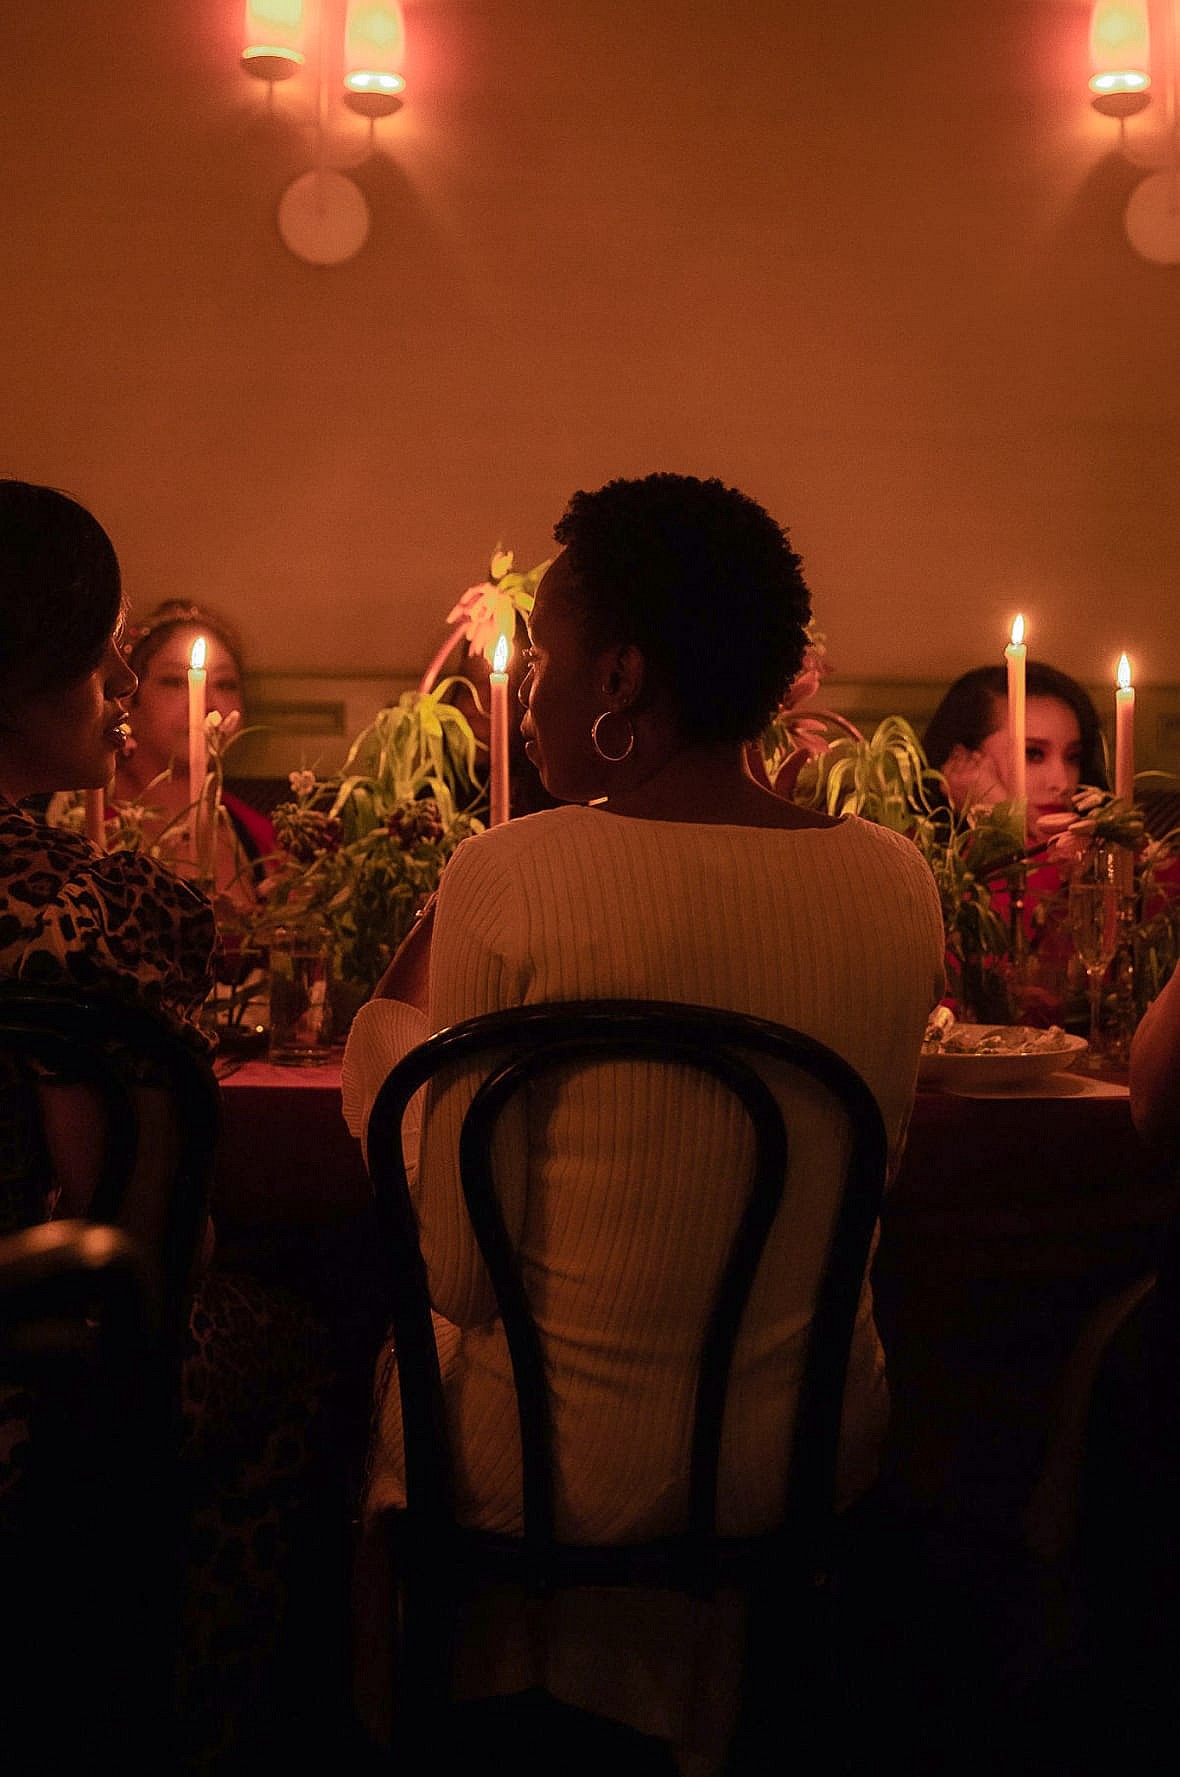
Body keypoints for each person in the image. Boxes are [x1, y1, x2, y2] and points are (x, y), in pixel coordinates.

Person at [343, 472, 946, 1774]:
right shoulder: (896, 881)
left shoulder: (511, 872)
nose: (530, 688)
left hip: (553, 1472)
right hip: (800, 1451)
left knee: (393, 1356)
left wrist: (392, 1085)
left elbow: (452, 1271)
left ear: (619, 677)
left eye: (547, 656)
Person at [0, 481, 333, 1770]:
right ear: (32, 667)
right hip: (42, 1372)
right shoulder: (106, 905)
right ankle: (176, 1720)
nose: (116, 677)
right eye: (102, 648)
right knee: (304, 1335)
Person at [115, 598, 275, 904]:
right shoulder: (84, 821)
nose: (206, 703)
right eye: (174, 681)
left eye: (226, 684)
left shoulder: (260, 837)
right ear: (126, 700)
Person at [922, 660, 1110, 839]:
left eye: (1073, 757)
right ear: (962, 760)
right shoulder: (915, 858)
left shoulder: (1113, 853)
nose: (1062, 784)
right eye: (1033, 754)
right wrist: (1001, 821)